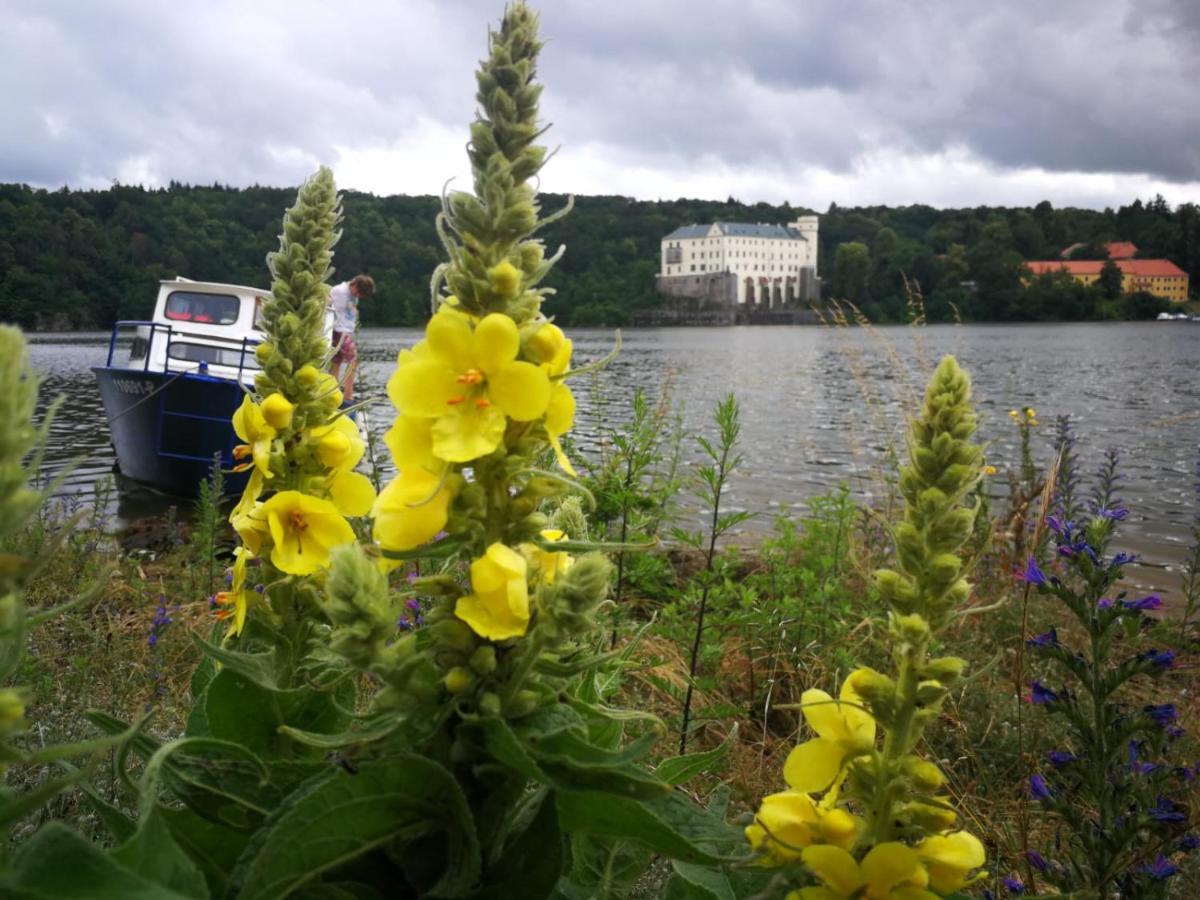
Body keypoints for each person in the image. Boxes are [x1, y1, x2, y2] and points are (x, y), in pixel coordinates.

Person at [328, 274, 375, 402]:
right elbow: (330, 309)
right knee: (353, 360)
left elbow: (349, 312)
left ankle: (332, 394)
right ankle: (348, 395)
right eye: (359, 293)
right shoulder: (339, 291)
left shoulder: (352, 294)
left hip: (346, 331)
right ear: (355, 285)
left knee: (336, 362)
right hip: (339, 331)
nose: (359, 296)